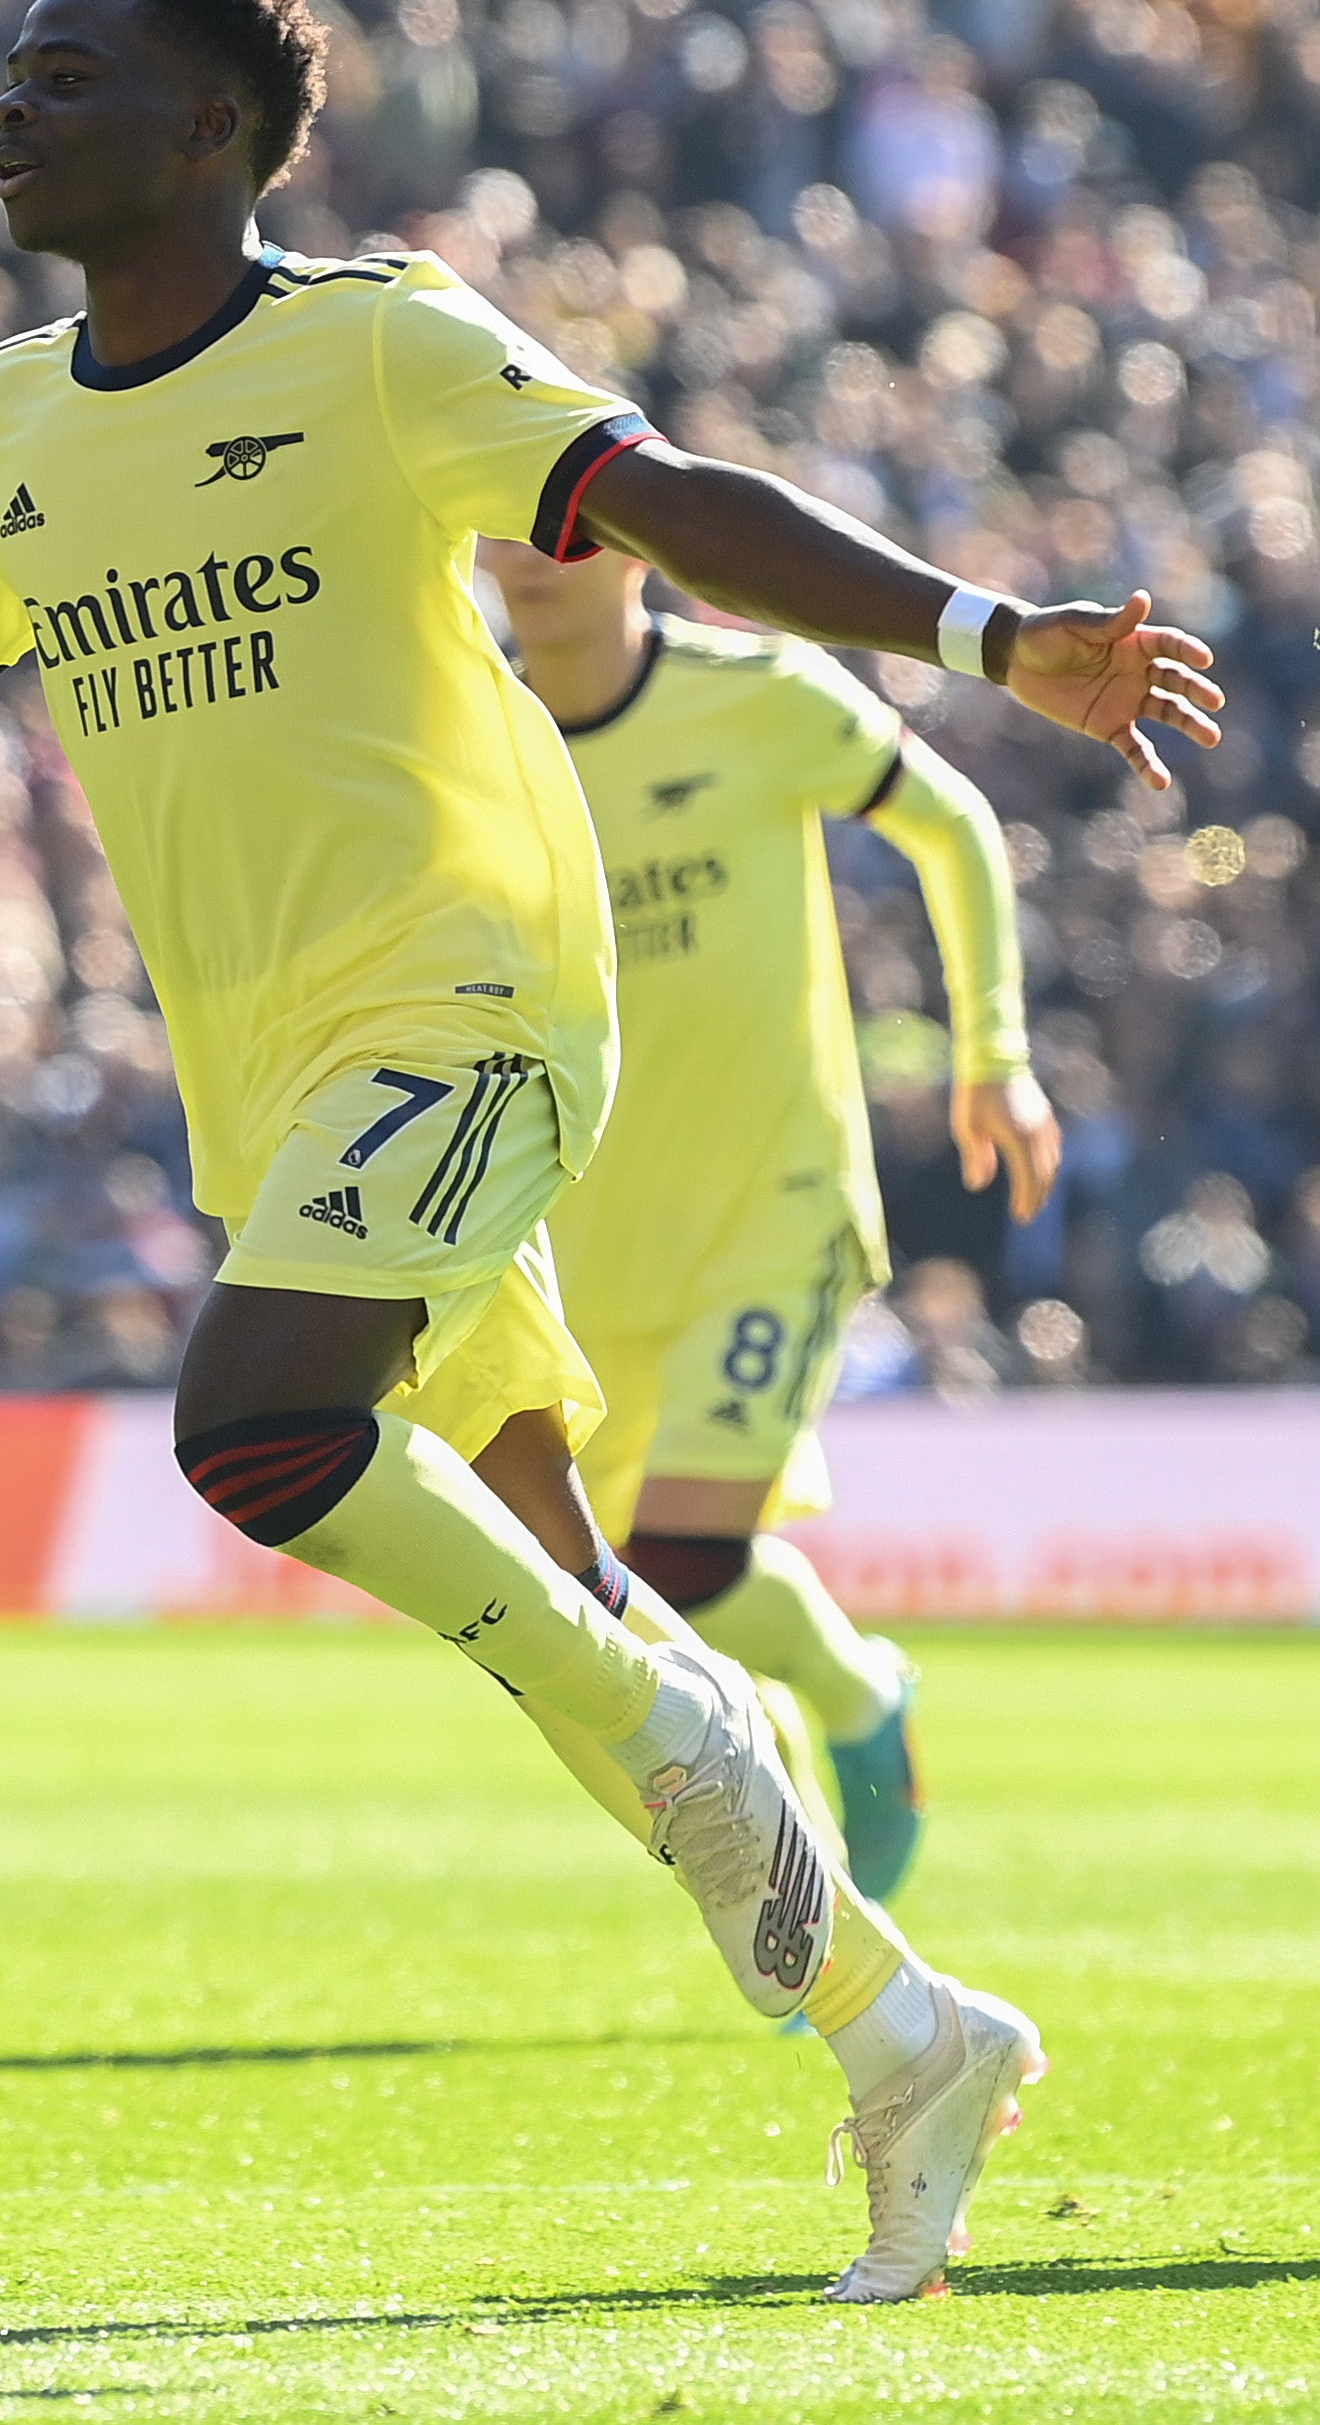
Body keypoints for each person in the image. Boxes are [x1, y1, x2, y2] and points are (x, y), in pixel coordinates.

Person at [0, 0, 1218, 2302]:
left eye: (67, 76)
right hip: (276, 1064)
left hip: (480, 999)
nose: (11, 107)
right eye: (8, 71)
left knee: (256, 1428)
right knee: (558, 1599)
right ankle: (894, 2021)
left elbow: (665, 495)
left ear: (215, 125)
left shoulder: (378, 342)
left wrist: (983, 632)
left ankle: (739, 1772)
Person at [481, 536, 1059, 1901]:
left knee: (685, 1551)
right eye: (510, 528)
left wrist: (993, 1049)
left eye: (571, 527)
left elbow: (952, 821)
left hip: (775, 1209)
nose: (540, 558)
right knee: (628, 1602)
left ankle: (857, 1689)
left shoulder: (759, 695)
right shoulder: (478, 737)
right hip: (578, 1241)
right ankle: (803, 1884)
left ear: (635, 550)